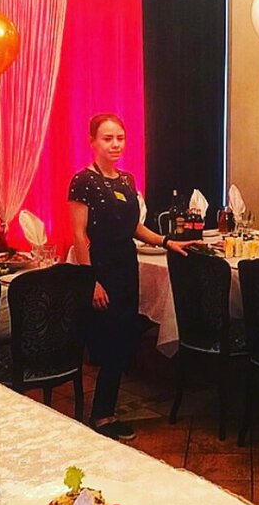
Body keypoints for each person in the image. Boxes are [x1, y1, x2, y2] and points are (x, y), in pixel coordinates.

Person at [69, 113, 188, 441]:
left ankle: (106, 409)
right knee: (108, 342)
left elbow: (134, 227)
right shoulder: (83, 181)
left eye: (120, 138)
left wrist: (166, 241)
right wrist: (90, 281)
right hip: (102, 267)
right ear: (92, 142)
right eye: (107, 138)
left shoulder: (127, 180)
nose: (115, 144)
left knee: (123, 340)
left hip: (127, 267)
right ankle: (102, 416)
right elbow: (78, 235)